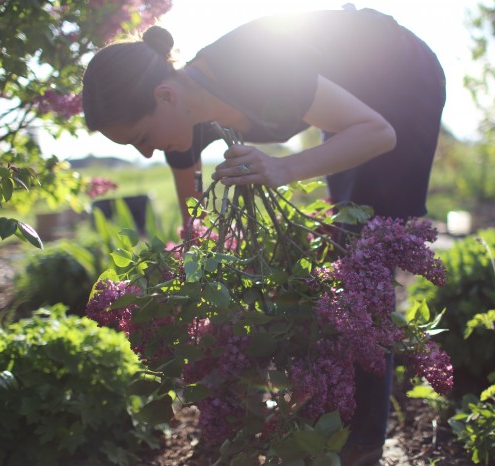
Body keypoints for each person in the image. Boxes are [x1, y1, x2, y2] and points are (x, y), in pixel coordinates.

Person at [82, 5, 445, 466]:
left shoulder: (251, 66)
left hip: (397, 82)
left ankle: (362, 448)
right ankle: (326, 428)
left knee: (365, 262)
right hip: (350, 101)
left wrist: (281, 169)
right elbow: (194, 223)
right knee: (344, 241)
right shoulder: (182, 128)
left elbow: (377, 132)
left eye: (140, 137)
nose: (147, 151)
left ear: (166, 95)